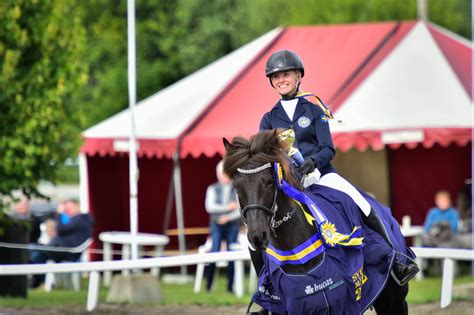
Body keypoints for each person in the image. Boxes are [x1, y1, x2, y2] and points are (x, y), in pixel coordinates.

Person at [258, 49, 418, 285]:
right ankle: (265, 287)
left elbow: (327, 148)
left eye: (286, 74)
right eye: (276, 76)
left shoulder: (314, 110)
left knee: (361, 201)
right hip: (289, 183)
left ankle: (398, 259)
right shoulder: (268, 118)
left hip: (321, 175)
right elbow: (265, 155)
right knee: (260, 219)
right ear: (271, 81)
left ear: (299, 76)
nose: (281, 80)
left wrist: (313, 163)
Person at [30, 199, 93, 287]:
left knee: (33, 250)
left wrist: (59, 214)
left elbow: (60, 229)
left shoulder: (79, 219)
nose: (67, 211)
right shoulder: (81, 219)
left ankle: (37, 282)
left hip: (67, 252)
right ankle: (38, 281)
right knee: (36, 253)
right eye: (66, 210)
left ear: (77, 207)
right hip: (63, 250)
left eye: (69, 209)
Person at [204, 160, 240, 292]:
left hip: (232, 225)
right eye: (221, 173)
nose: (224, 176)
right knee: (214, 252)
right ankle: (208, 285)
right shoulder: (212, 188)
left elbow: (239, 210)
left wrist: (227, 217)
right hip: (217, 225)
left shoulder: (236, 188)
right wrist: (227, 208)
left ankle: (230, 287)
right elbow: (209, 207)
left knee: (232, 253)